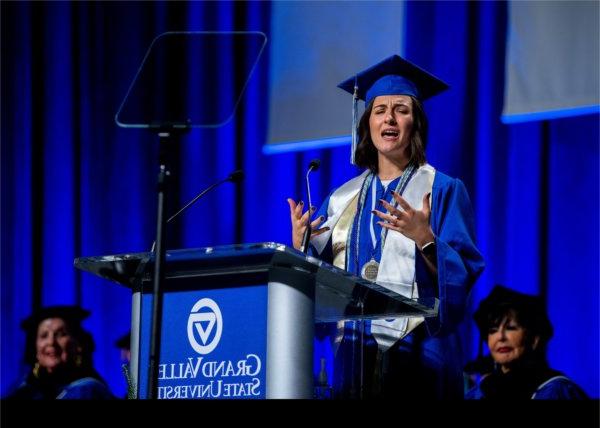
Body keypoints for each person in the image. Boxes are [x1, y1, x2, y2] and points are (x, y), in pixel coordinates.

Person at [287, 55, 485, 399]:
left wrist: (426, 240)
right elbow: (320, 286)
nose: (389, 118)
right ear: (367, 124)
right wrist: (300, 246)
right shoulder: (340, 200)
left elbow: (463, 275)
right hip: (352, 355)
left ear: (416, 123)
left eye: (401, 109)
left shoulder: (442, 190)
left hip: (419, 354)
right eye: (379, 110)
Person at [466, 285, 588, 400]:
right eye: (493, 330)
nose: (500, 337)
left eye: (510, 328)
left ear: (534, 339)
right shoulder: (482, 391)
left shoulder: (555, 389)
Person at [6, 305, 115, 399]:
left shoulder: (89, 390)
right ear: (35, 348)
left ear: (78, 344)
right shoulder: (23, 391)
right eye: (44, 336)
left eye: (60, 334)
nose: (51, 342)